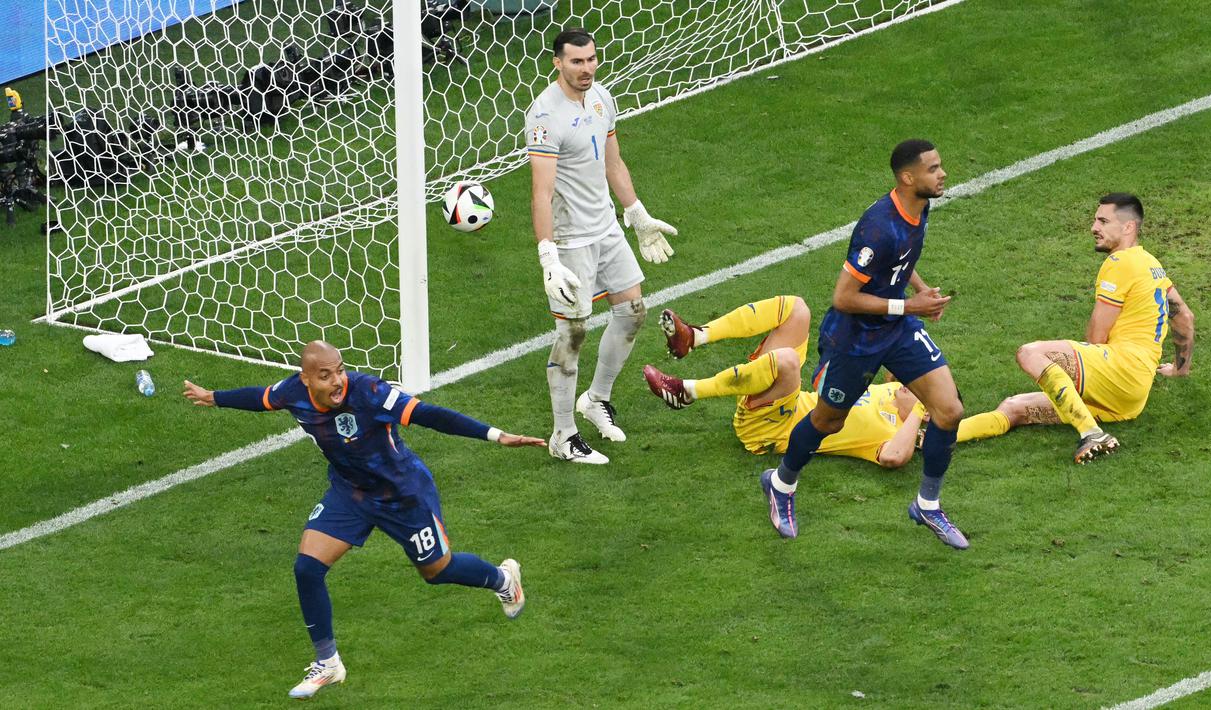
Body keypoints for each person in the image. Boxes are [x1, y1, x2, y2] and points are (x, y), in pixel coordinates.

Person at [182, 341, 545, 699]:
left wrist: (496, 435)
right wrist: (214, 396)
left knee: (438, 572)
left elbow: (429, 415)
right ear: (306, 379)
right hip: (351, 493)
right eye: (325, 375)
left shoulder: (370, 392)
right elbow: (259, 397)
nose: (337, 381)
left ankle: (502, 579)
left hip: (403, 495)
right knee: (307, 568)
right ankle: (328, 663)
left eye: (339, 370)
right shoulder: (292, 392)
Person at [756, 140, 969, 548]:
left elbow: (902, 260)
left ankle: (928, 504)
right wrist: (910, 305)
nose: (942, 174)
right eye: (933, 169)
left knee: (949, 409)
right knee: (827, 420)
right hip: (855, 338)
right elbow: (844, 297)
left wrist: (924, 293)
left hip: (897, 327)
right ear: (908, 178)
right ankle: (781, 485)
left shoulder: (920, 205)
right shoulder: (878, 227)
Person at [526, 27, 678, 465]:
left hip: (607, 229)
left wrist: (636, 213)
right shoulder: (544, 116)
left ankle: (596, 399)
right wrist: (547, 254)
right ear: (557, 63)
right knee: (572, 332)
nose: (587, 68)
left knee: (632, 311)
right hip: (571, 238)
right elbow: (541, 192)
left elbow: (612, 161)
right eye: (576, 61)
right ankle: (563, 435)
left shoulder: (602, 98)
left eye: (591, 59)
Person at [974, 193, 1195, 461]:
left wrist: (1081, 372)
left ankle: (1091, 432)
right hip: (1131, 397)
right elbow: (1184, 317)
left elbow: (1096, 339)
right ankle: (931, 439)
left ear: (1128, 227)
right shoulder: (1152, 265)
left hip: (1118, 372)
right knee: (1015, 407)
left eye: (1103, 221)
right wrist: (1180, 369)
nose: (1094, 228)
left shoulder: (1119, 262)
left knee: (1030, 353)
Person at [643, 296, 929, 469]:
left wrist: (919, 411)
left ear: (925, 411)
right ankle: (695, 336)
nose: (910, 385)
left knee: (788, 361)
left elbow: (894, 457)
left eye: (920, 392)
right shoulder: (892, 391)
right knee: (796, 309)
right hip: (777, 401)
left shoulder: (890, 434)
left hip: (771, 431)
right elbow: (902, 372)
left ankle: (688, 392)